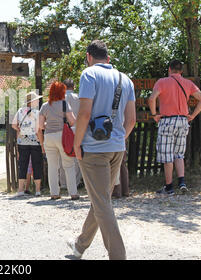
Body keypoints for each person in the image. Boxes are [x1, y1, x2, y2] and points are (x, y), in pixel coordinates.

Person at [69, 40, 136, 260]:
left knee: (102, 202)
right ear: (107, 58)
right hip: (117, 148)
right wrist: (118, 139)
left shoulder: (89, 75)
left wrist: (77, 143)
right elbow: (132, 120)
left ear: (89, 56)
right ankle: (80, 246)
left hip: (94, 150)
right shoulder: (125, 79)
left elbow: (84, 114)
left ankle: (118, 257)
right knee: (101, 200)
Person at [148, 60, 201, 195]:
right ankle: (182, 182)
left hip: (167, 120)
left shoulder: (162, 82)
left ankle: (169, 187)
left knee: (167, 155)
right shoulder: (188, 83)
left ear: (169, 69)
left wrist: (154, 115)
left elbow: (152, 99)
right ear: (181, 71)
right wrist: (193, 115)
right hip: (182, 120)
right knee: (179, 154)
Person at [38, 82, 77, 200]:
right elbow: (72, 121)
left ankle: (54, 193)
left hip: (49, 137)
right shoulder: (64, 104)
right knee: (69, 165)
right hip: (63, 136)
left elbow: (40, 125)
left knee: (53, 166)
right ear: (62, 92)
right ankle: (73, 193)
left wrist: (49, 124)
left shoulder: (45, 106)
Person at [12, 92, 44, 197]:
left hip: (23, 141)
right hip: (35, 142)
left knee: (23, 165)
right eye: (36, 100)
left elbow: (13, 125)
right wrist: (42, 144)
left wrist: (21, 130)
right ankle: (38, 190)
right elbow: (39, 130)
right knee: (36, 164)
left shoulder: (20, 111)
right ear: (32, 101)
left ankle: (20, 190)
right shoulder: (37, 112)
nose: (38, 101)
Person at [63, 78, 83, 189]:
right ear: (73, 86)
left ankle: (64, 182)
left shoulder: (61, 98)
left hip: (64, 128)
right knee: (76, 155)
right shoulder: (79, 98)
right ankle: (76, 181)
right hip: (77, 128)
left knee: (64, 155)